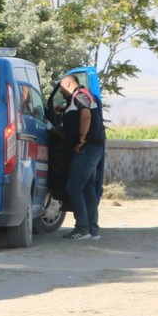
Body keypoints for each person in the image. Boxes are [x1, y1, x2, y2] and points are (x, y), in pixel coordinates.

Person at [58, 73, 106, 240]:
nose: (61, 91)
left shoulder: (79, 95)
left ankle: (82, 229)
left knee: (73, 187)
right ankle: (92, 230)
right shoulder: (83, 96)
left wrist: (81, 138)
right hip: (94, 148)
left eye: (62, 87)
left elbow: (85, 115)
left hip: (87, 148)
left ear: (69, 83)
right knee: (87, 189)